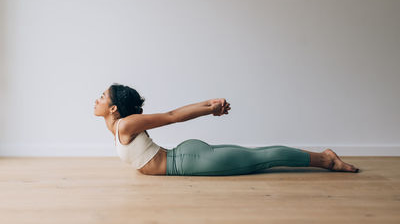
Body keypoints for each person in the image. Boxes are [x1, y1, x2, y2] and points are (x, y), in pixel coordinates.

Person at [94, 83, 360, 176]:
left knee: (263, 159)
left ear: (114, 108)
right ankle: (325, 158)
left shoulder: (125, 125)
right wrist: (209, 105)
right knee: (259, 157)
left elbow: (172, 116)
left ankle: (326, 160)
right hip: (186, 159)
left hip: (188, 162)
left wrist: (209, 108)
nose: (97, 99)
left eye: (102, 96)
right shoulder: (118, 127)